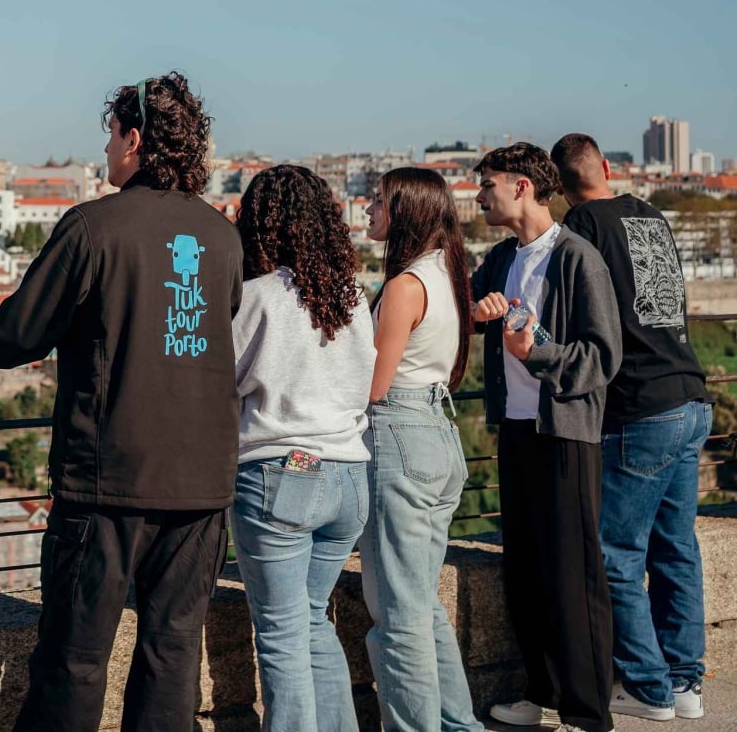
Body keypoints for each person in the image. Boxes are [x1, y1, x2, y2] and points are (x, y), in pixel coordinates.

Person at [0, 72, 243, 732]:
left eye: (111, 136)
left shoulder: (92, 227)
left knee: (75, 658)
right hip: (204, 480)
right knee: (173, 651)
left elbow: (22, 333)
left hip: (110, 479)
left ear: (134, 140)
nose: (106, 150)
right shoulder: (222, 237)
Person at [553, 133, 713, 722]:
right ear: (605, 167)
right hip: (690, 395)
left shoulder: (582, 226)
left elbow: (576, 308)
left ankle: (648, 686)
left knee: (615, 551)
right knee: (676, 547)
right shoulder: (651, 215)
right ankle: (684, 680)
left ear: (560, 186)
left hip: (641, 406)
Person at [471, 142, 622, 732]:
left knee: (573, 575)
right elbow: (464, 304)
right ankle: (540, 692)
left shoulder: (578, 257)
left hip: (566, 434)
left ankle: (588, 713)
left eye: (488, 184)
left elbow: (602, 355)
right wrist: (479, 311)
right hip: (516, 428)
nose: (480, 196)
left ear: (522, 186)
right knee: (526, 569)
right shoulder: (501, 257)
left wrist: (536, 352)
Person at [230, 164, 374, 732]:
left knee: (282, 636)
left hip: (282, 474)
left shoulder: (257, 297)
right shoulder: (352, 297)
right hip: (349, 476)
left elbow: (223, 381)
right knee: (313, 622)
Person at [360, 167, 482, 732]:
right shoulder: (446, 274)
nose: (368, 209)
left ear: (404, 211)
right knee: (421, 603)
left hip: (399, 432)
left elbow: (374, 385)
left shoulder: (405, 285)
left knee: (399, 613)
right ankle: (459, 723)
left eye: (378, 201)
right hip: (436, 431)